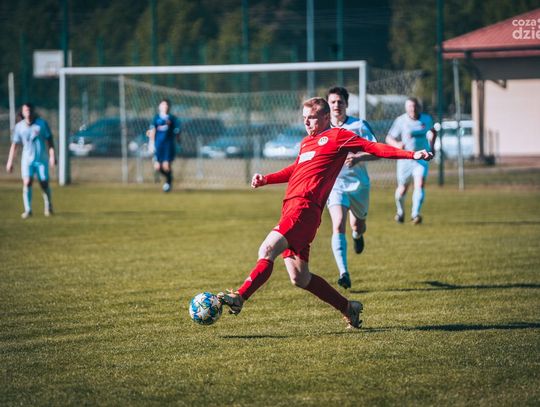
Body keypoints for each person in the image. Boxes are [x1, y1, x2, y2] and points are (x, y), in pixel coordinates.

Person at [218, 97, 433, 329]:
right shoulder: (306, 143)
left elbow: (374, 147)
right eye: (304, 118)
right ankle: (348, 308)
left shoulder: (338, 136)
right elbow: (296, 169)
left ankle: (239, 297)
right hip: (291, 209)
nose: (306, 123)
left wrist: (411, 154)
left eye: (311, 118)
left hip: (304, 209)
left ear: (325, 117)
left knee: (267, 249)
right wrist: (266, 179)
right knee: (300, 277)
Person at [326, 86, 378, 290]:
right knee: (338, 224)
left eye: (340, 102)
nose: (336, 105)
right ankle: (343, 272)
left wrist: (358, 157)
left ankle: (357, 236)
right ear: (328, 105)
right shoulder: (323, 129)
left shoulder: (359, 125)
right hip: (336, 186)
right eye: (333, 102)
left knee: (358, 226)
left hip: (359, 185)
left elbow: (377, 150)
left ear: (346, 104)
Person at [385, 97, 437, 224]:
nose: (413, 109)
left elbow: (433, 132)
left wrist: (432, 147)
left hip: (421, 158)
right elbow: (389, 138)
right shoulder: (401, 120)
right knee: (402, 189)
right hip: (405, 159)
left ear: (419, 107)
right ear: (406, 108)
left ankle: (415, 214)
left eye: (415, 106)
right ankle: (400, 212)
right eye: (410, 106)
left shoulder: (426, 119)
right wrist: (397, 145)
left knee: (420, 184)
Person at [6, 103, 56, 219]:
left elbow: (50, 141)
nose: (28, 112)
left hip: (41, 160)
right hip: (27, 160)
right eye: (25, 110)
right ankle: (28, 210)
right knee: (27, 182)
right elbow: (15, 145)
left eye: (29, 110)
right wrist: (10, 161)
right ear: (22, 112)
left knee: (44, 183)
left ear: (33, 111)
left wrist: (52, 156)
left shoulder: (41, 124)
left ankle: (48, 205)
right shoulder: (19, 126)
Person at [147, 99, 181, 192]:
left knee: (166, 166)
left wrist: (178, 142)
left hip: (168, 146)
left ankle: (168, 182)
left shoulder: (172, 118)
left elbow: (177, 131)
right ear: (159, 106)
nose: (165, 106)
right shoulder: (156, 118)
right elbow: (152, 131)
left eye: (166, 105)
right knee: (157, 167)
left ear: (169, 107)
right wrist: (151, 144)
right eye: (163, 104)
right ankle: (169, 178)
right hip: (158, 145)